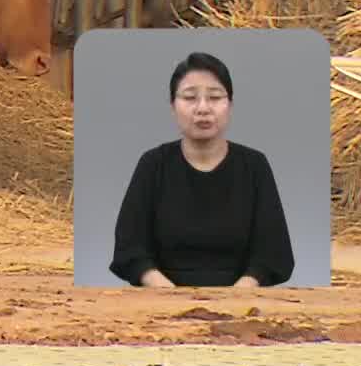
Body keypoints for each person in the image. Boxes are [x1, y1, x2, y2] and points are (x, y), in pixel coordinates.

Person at [108, 51, 296, 288]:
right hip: (160, 300)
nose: (203, 108)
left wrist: (242, 291)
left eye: (215, 97)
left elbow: (273, 252)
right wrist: (162, 289)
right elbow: (129, 248)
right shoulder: (153, 164)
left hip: (242, 301)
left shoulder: (254, 166)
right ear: (172, 106)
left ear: (230, 105)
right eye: (189, 98)